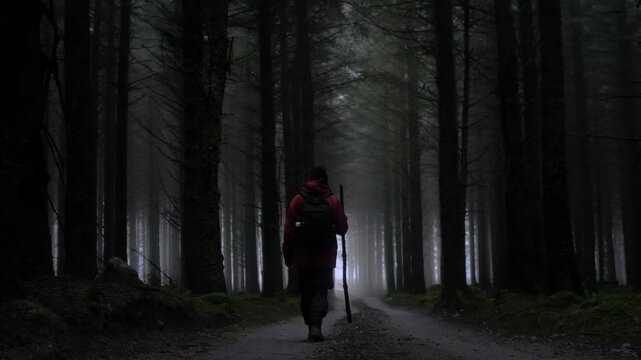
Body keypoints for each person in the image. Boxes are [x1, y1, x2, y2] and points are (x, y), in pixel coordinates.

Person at [282, 166, 348, 342]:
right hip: (325, 255)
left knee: (306, 291)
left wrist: (288, 254)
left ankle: (310, 324)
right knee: (320, 290)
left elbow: (288, 231)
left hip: (302, 255)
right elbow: (343, 228)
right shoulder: (333, 201)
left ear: (309, 179)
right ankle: (316, 327)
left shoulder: (298, 200)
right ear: (325, 179)